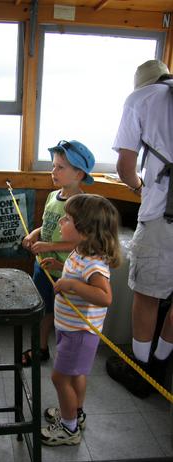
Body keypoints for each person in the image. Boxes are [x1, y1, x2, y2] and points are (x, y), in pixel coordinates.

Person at [106, 59, 173, 398]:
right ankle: (162, 363)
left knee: (146, 296)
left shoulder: (141, 99)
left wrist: (138, 187)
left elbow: (125, 165)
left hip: (164, 216)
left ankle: (141, 370)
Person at [40, 194, 121, 446]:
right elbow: (75, 276)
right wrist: (57, 264)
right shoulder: (78, 251)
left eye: (68, 219)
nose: (62, 221)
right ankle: (76, 412)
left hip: (80, 332)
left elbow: (104, 296)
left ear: (84, 231)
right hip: (70, 327)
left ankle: (68, 428)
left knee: (59, 378)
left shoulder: (94, 264)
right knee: (76, 375)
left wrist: (72, 284)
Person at [21, 140, 95, 367]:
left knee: (63, 314)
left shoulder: (81, 205)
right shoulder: (54, 197)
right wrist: (35, 234)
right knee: (42, 309)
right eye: (54, 166)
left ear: (79, 174)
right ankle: (41, 348)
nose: (53, 171)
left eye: (60, 167)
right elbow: (48, 227)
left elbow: (80, 242)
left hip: (65, 269)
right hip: (42, 264)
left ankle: (67, 357)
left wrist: (48, 247)